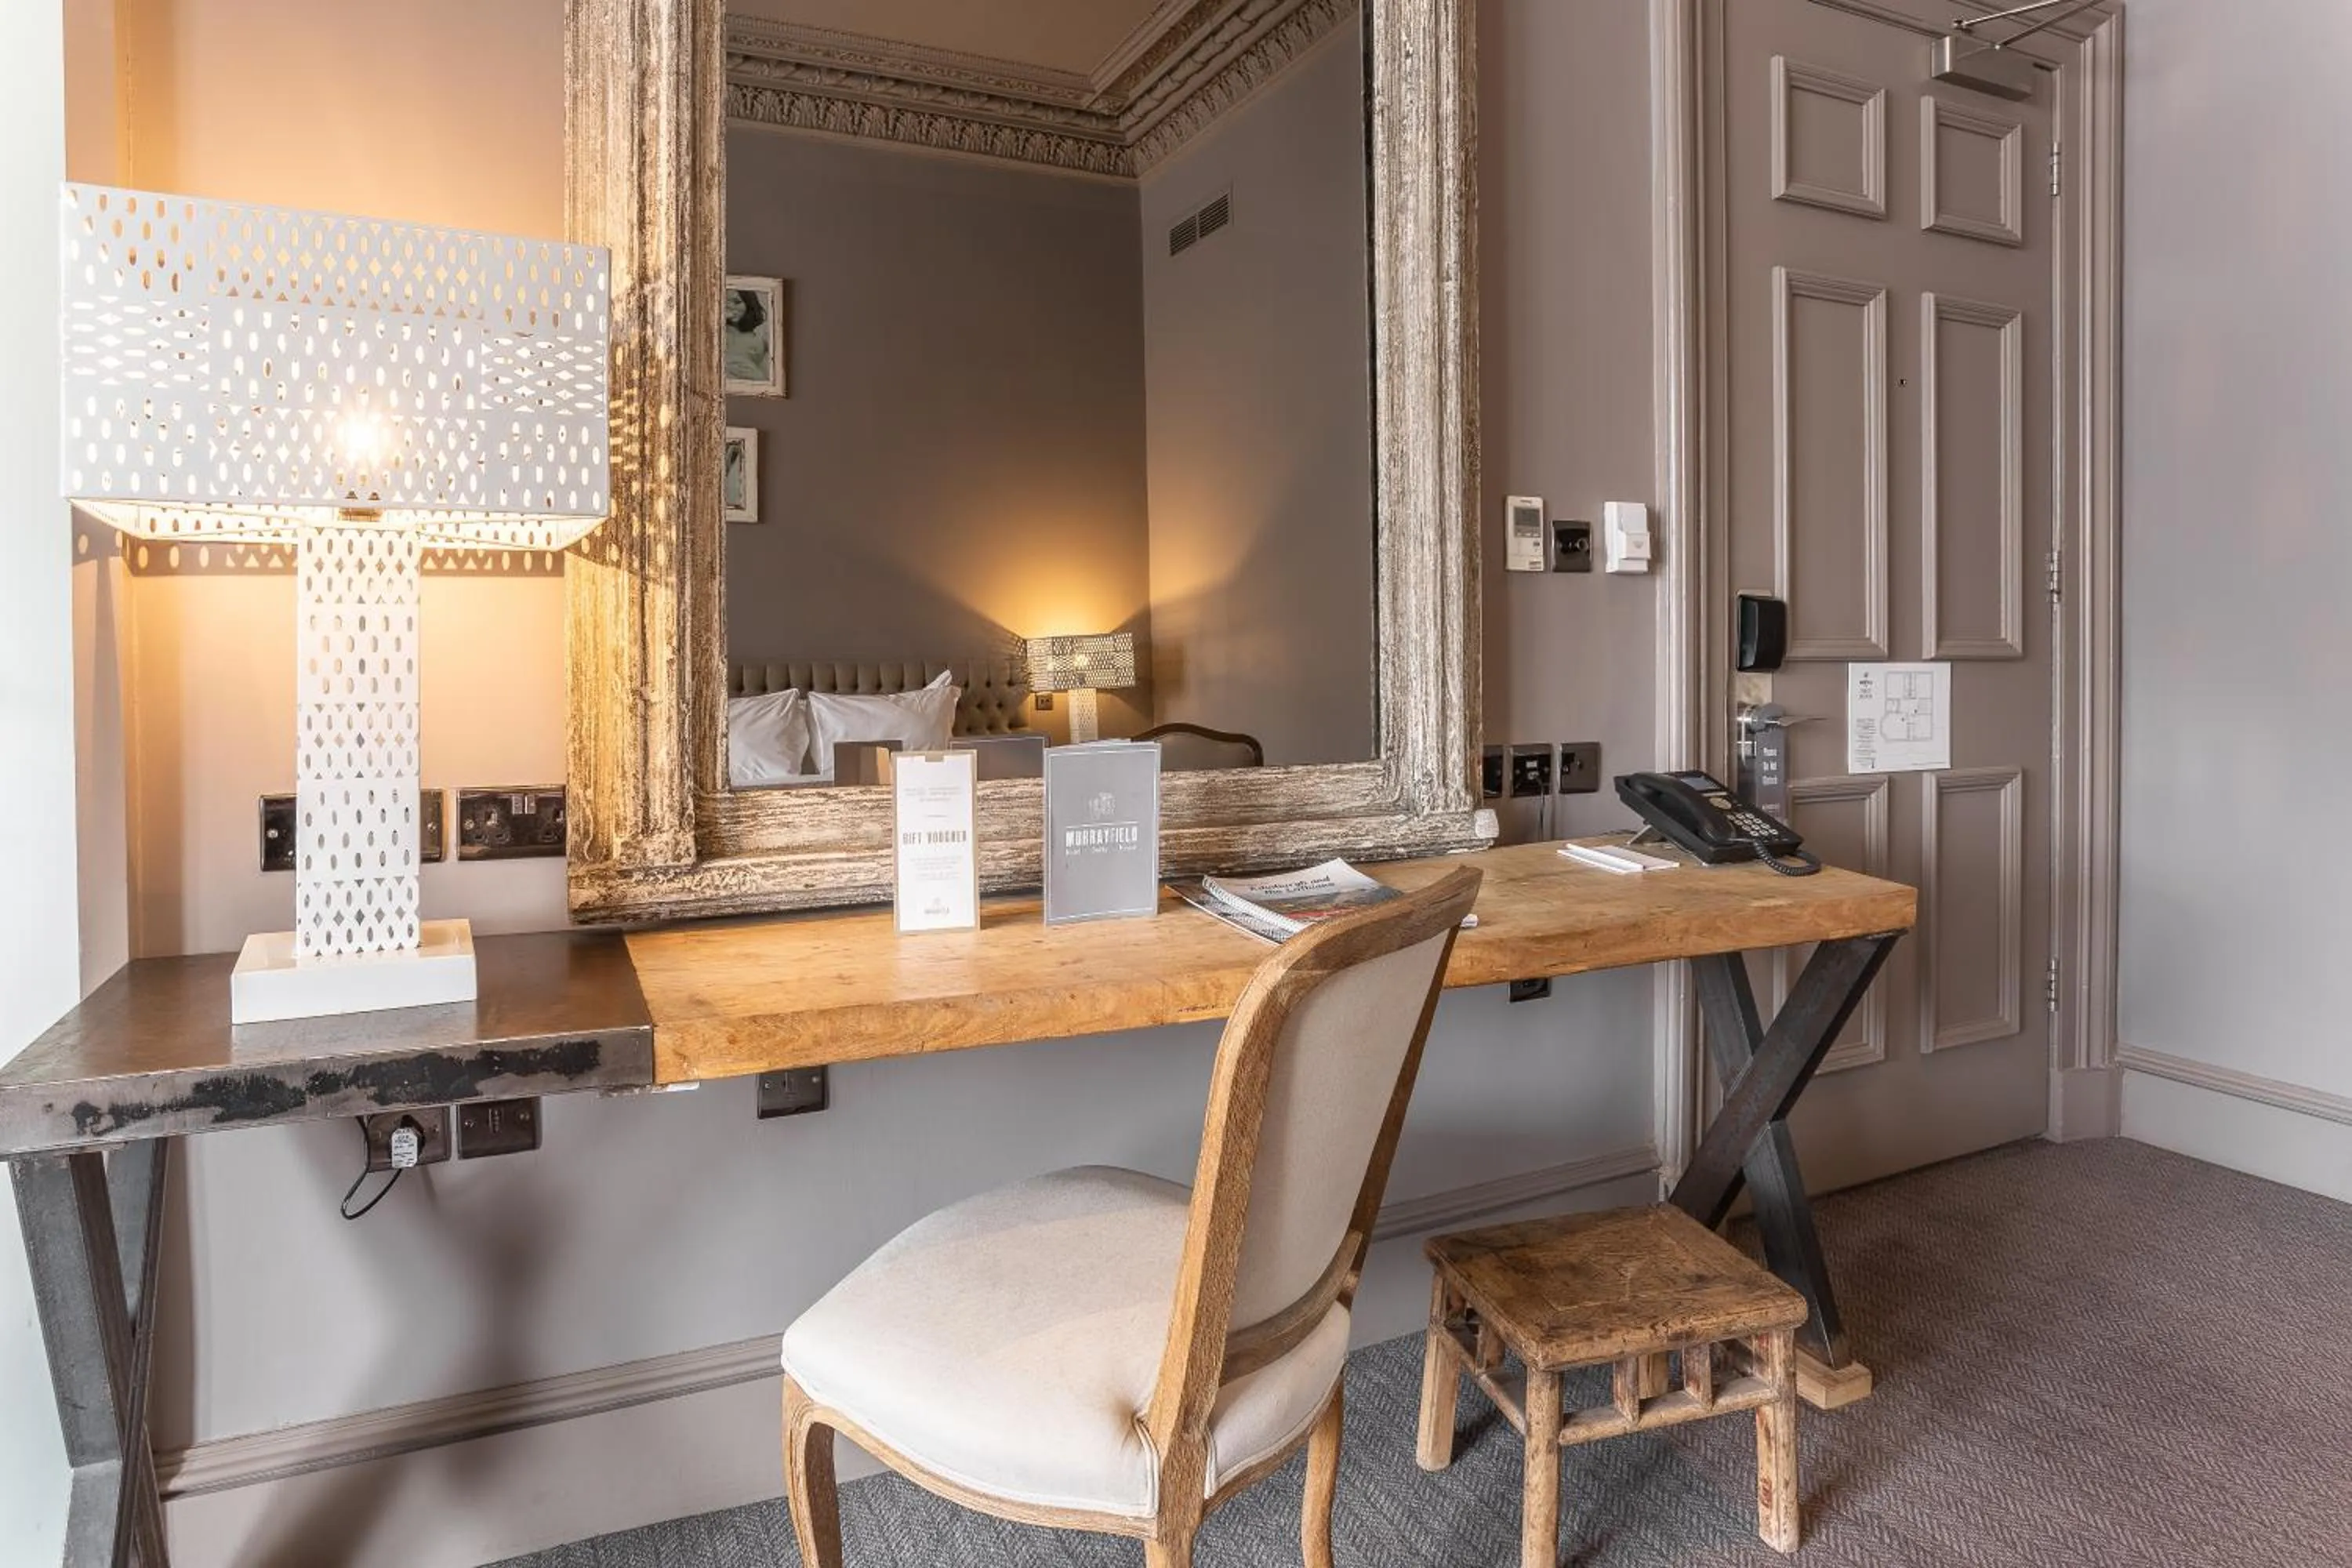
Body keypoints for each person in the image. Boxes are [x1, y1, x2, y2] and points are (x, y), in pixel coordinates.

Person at [724, 287, 771, 386]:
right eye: (725, 303)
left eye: (737, 302)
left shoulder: (760, 333)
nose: (730, 307)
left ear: (749, 304)